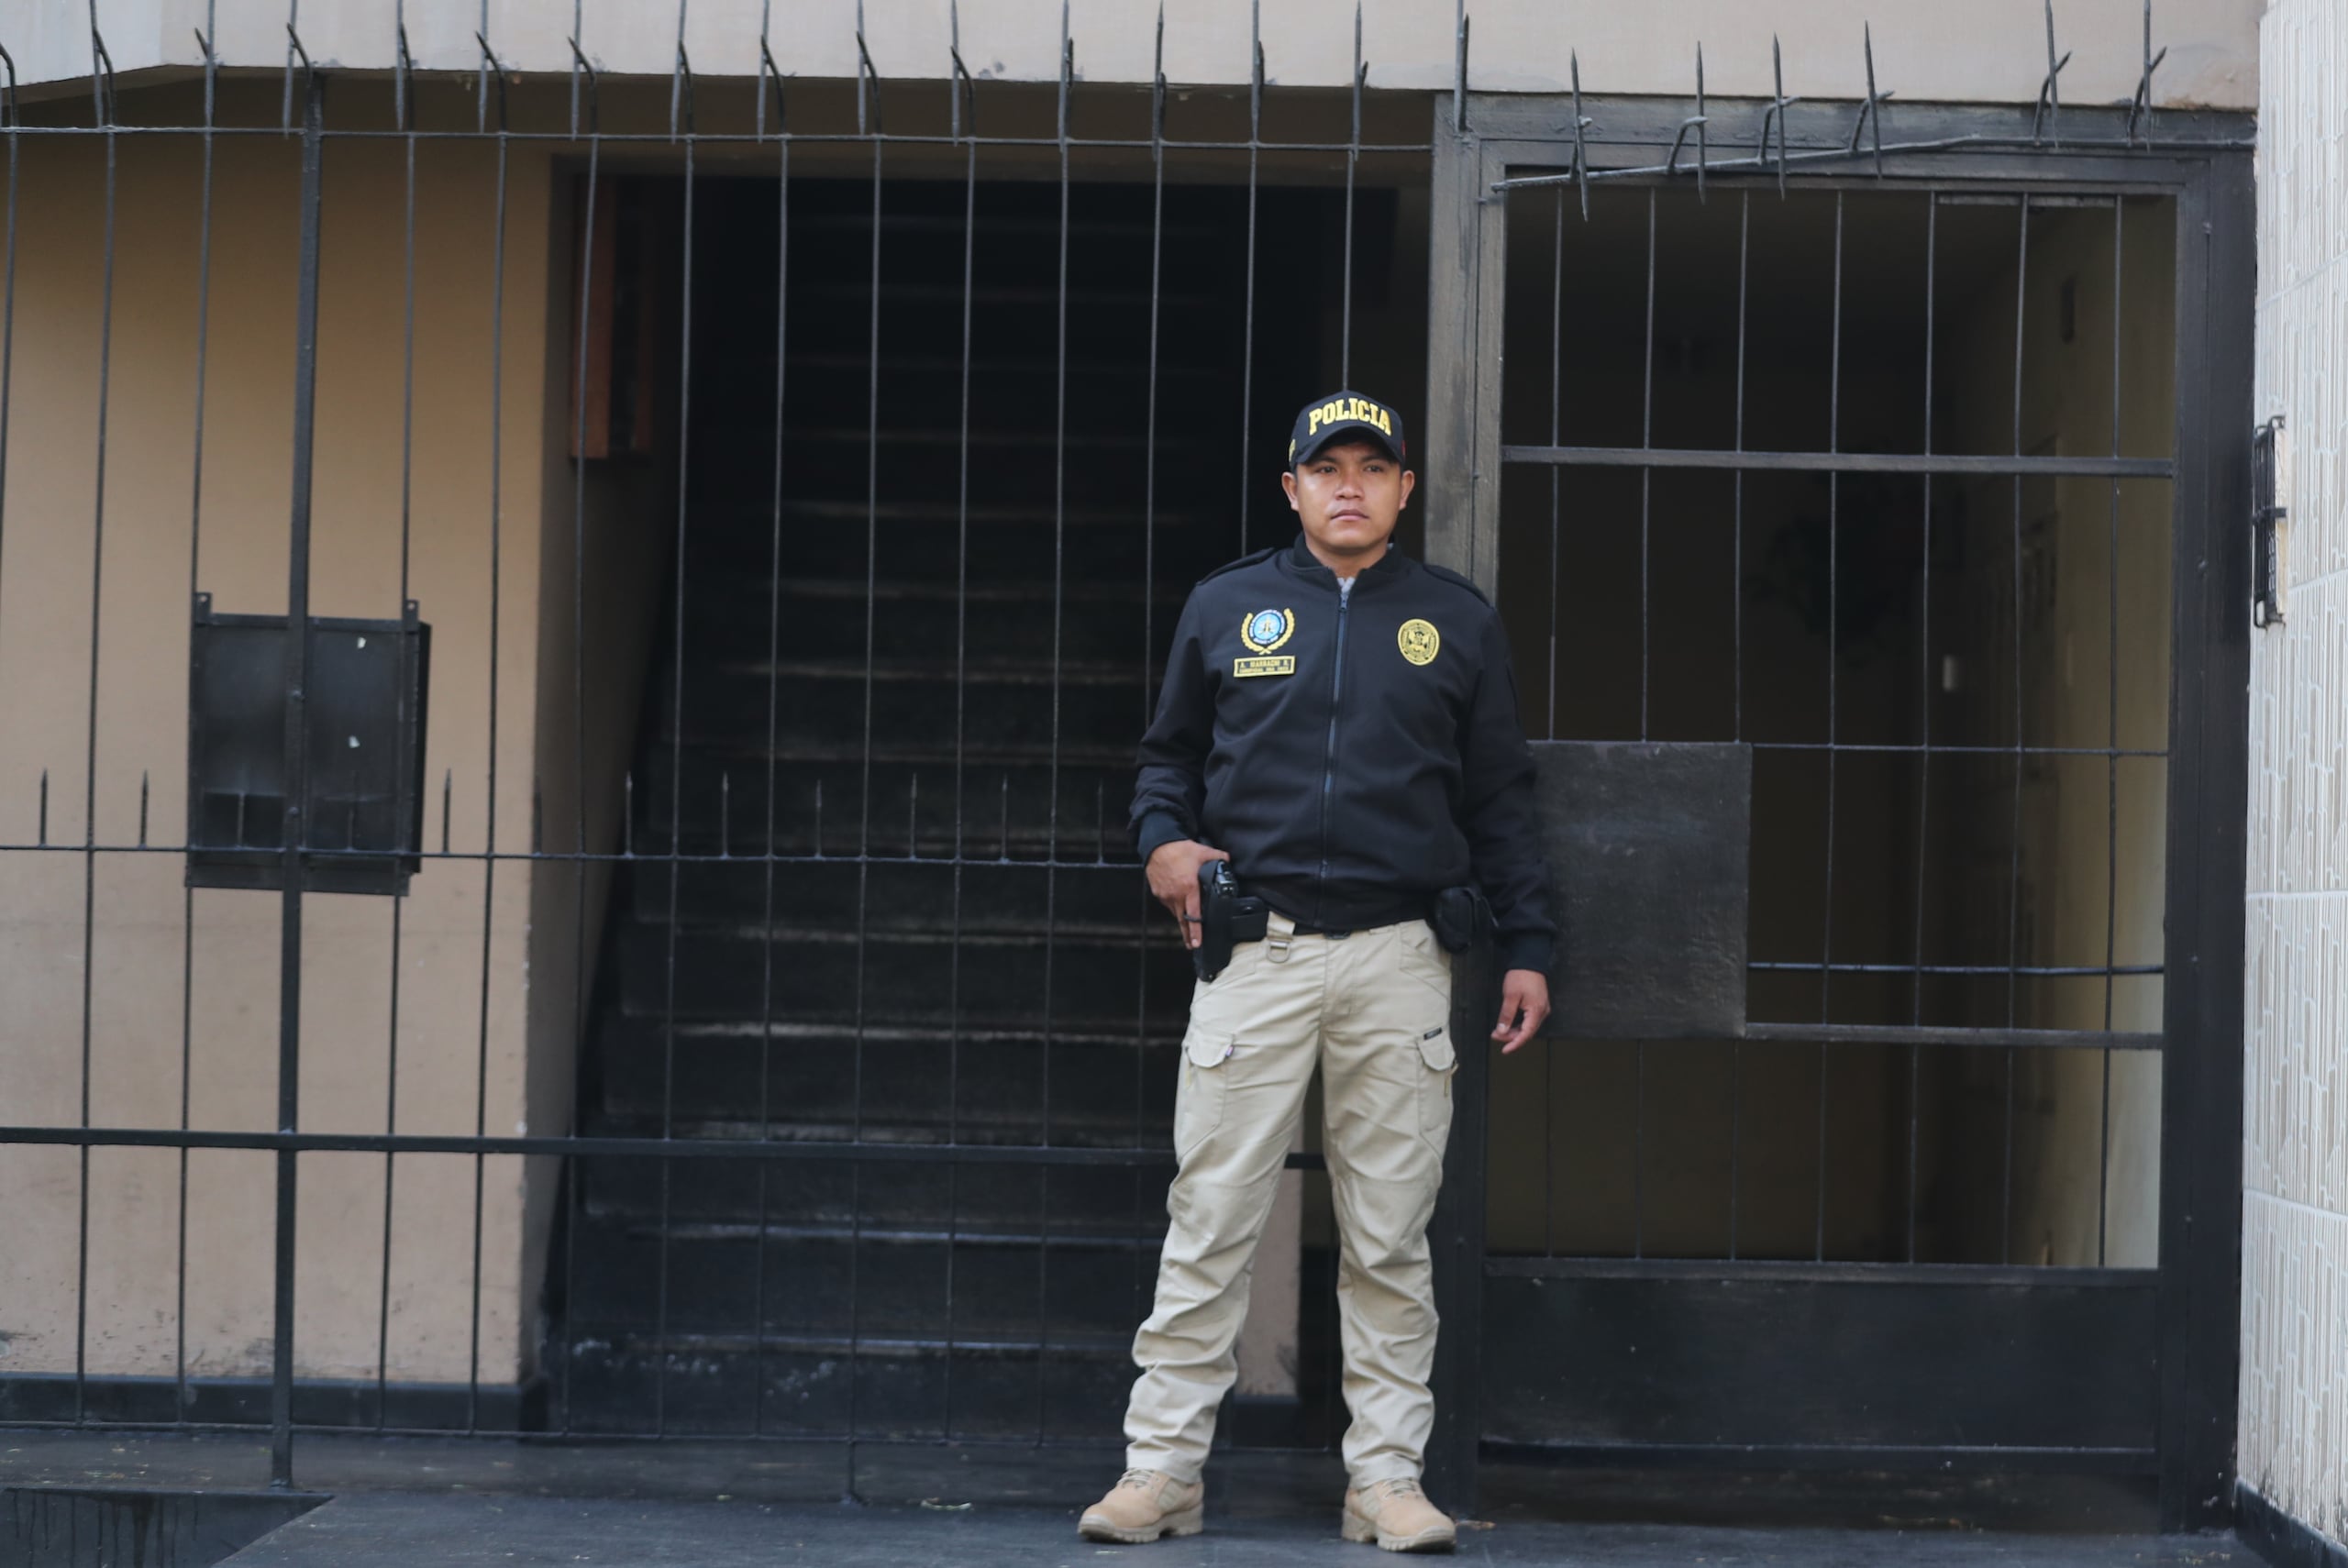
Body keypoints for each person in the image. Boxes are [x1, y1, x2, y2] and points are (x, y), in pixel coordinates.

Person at [1079, 391, 1554, 1552]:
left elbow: (1499, 799)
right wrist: (1160, 845)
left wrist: (1529, 946)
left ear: (1401, 491)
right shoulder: (1226, 605)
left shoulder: (1455, 622)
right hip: (1259, 954)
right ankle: (1161, 1474)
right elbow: (1166, 762)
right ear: (1290, 490)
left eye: (1371, 468)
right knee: (1213, 1217)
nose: (1349, 484)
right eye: (1325, 467)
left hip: (1401, 958)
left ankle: (1385, 1482)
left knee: (1390, 1236)